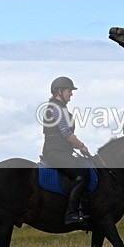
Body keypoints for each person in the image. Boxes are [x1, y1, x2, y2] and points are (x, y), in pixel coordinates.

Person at [41, 76, 91, 227]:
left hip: (61, 151)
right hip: (55, 152)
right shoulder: (57, 109)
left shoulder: (59, 108)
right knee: (82, 173)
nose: (71, 94)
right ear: (59, 91)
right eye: (69, 90)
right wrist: (82, 146)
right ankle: (71, 214)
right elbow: (66, 133)